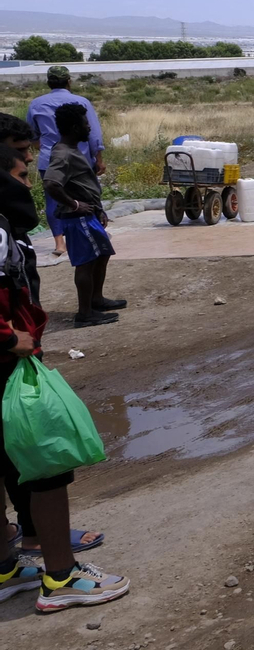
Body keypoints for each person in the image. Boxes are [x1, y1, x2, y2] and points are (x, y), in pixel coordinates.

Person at [0, 146, 129, 613]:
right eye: (20, 174)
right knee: (46, 463)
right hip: (6, 363)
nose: (27, 185)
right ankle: (60, 577)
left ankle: (5, 568)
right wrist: (10, 338)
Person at [42, 104, 123, 328]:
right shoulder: (63, 153)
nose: (89, 128)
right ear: (75, 127)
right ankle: (85, 314)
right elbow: (51, 183)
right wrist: (75, 204)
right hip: (77, 219)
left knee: (102, 254)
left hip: (88, 215)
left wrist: (98, 209)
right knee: (86, 262)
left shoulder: (72, 149)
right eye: (86, 124)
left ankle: (96, 299)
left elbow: (82, 185)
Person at [26, 66, 104, 259]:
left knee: (53, 200)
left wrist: (45, 149)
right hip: (80, 159)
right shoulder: (81, 102)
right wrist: (98, 158)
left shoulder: (36, 104)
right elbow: (93, 133)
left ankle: (60, 243)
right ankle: (90, 233)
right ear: (69, 81)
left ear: (48, 82)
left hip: (49, 158)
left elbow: (32, 134)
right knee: (86, 196)